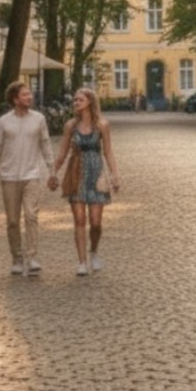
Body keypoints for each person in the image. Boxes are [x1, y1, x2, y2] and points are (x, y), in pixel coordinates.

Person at [0, 80, 59, 275]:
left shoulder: (38, 119)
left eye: (30, 94)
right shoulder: (3, 122)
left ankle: (32, 256)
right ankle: (17, 257)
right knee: (12, 220)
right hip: (9, 176)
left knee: (31, 214)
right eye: (25, 95)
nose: (30, 97)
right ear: (15, 99)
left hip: (31, 175)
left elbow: (45, 144)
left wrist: (52, 170)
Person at [53, 86, 120, 276]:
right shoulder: (70, 126)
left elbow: (108, 152)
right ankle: (82, 262)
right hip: (76, 173)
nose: (76, 102)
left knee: (96, 222)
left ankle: (94, 252)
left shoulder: (102, 125)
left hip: (96, 172)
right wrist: (54, 172)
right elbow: (62, 152)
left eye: (79, 99)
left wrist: (115, 175)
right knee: (80, 219)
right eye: (74, 100)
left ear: (90, 101)